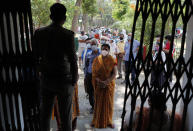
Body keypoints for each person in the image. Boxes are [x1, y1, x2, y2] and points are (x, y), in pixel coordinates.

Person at [32, 3, 78, 131]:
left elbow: (35, 57)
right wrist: (74, 79)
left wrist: (39, 74)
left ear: (51, 16)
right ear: (64, 17)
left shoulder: (39, 33)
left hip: (46, 79)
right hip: (64, 80)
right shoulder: (67, 35)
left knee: (45, 115)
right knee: (65, 117)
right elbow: (73, 60)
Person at [91, 44, 117, 128]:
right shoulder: (96, 60)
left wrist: (107, 81)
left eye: (106, 49)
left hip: (109, 85)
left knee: (109, 103)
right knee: (98, 103)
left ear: (109, 50)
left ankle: (109, 121)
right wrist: (100, 81)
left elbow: (114, 73)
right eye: (103, 49)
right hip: (99, 84)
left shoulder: (112, 60)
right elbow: (94, 74)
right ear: (100, 49)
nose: (104, 50)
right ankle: (96, 120)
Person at [84, 39, 100, 113]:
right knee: (90, 91)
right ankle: (93, 106)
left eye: (94, 44)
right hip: (89, 75)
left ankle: (98, 106)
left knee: (97, 91)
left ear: (97, 44)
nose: (93, 45)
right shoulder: (88, 54)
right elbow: (86, 65)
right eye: (91, 44)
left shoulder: (101, 54)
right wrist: (86, 75)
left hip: (98, 76)